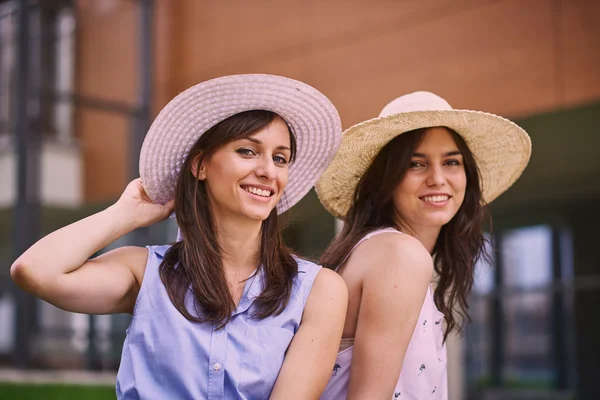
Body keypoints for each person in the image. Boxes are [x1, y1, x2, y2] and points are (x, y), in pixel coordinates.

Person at [11, 74, 348, 400]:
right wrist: (125, 213)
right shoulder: (145, 273)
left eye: (280, 158)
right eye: (247, 151)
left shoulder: (318, 290)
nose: (268, 171)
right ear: (200, 165)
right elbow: (34, 271)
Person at [315, 91, 532, 399]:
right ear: (386, 180)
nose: (437, 178)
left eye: (451, 162)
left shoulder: (381, 250)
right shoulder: (400, 255)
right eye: (416, 164)